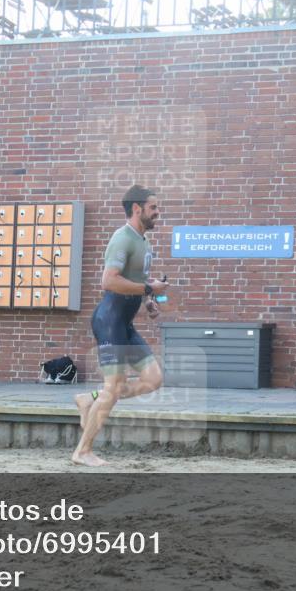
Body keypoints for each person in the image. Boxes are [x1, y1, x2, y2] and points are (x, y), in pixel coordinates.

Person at [72, 185, 170, 467]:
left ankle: (89, 398)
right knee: (114, 388)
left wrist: (149, 298)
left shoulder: (143, 241)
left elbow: (138, 283)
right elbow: (109, 281)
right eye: (153, 207)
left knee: (153, 379)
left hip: (124, 324)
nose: (157, 212)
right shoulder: (122, 238)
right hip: (110, 321)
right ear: (137, 208)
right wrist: (147, 287)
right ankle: (83, 451)